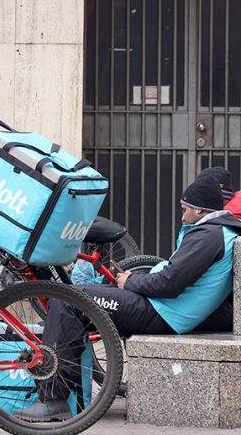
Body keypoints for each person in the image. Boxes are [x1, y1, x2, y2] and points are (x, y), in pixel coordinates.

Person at [17, 176, 241, 421]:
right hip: (163, 307)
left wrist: (131, 281)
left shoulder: (208, 236)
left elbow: (170, 284)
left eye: (184, 210)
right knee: (78, 295)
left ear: (199, 210)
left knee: (69, 300)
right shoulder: (217, 231)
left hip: (161, 312)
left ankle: (53, 400)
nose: (182, 217)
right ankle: (61, 389)